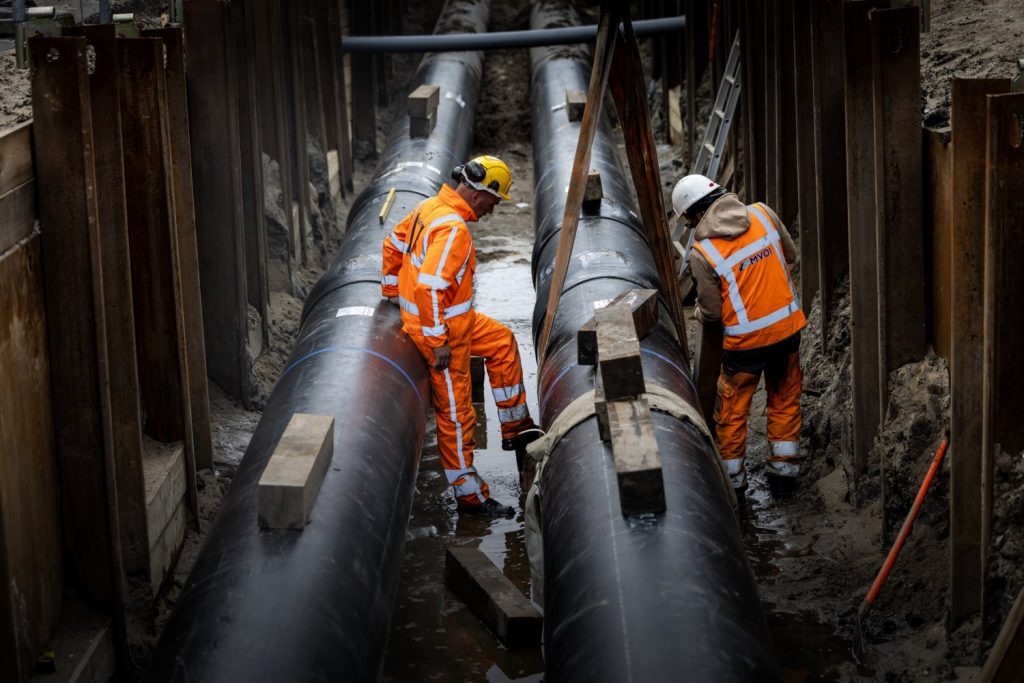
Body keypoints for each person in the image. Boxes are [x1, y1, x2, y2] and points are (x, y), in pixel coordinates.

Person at [381, 155, 540, 517]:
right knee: (457, 413)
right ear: (477, 193)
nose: (493, 211)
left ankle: (515, 427)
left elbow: (392, 243)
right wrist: (437, 344)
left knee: (502, 340)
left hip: (456, 321)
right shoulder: (453, 230)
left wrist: (390, 290)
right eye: (493, 202)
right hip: (442, 333)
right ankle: (471, 496)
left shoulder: (430, 207)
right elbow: (432, 289)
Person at [672, 174, 806, 498]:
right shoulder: (763, 213)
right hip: (788, 332)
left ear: (694, 215)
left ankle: (734, 486)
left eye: (688, 222)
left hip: (745, 347)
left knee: (731, 414)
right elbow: (791, 256)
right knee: (784, 398)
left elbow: (713, 312)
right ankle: (784, 477)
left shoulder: (703, 253)